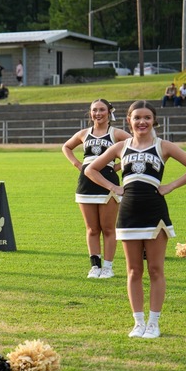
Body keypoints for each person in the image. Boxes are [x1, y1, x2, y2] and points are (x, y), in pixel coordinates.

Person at [85, 101, 186, 339]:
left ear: (154, 121)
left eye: (147, 118)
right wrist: (113, 187)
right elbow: (91, 169)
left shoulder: (164, 146)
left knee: (156, 269)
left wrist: (170, 185)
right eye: (137, 117)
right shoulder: (120, 146)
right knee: (133, 270)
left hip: (154, 213)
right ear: (129, 120)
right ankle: (138, 322)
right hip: (128, 214)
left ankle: (154, 323)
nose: (142, 122)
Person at [62, 99, 131, 279]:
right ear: (90, 113)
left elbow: (135, 148)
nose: (98, 113)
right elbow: (66, 147)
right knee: (92, 229)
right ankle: (95, 266)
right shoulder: (84, 133)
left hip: (108, 183)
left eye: (101, 110)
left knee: (108, 228)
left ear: (109, 112)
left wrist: (116, 167)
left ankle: (108, 267)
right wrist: (77, 164)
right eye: (94, 110)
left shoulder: (116, 133)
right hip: (86, 183)